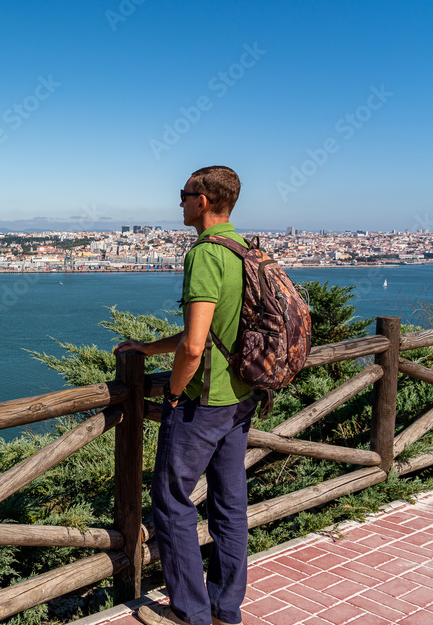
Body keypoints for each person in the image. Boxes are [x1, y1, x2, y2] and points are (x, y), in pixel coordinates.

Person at [115, 166, 256, 625]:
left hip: (204, 403)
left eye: (184, 194)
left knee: (172, 501)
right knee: (230, 504)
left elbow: (195, 347)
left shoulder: (205, 255)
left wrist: (174, 394)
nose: (179, 202)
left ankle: (189, 611)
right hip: (241, 397)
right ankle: (224, 609)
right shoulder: (245, 250)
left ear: (205, 200)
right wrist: (149, 347)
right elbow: (210, 330)